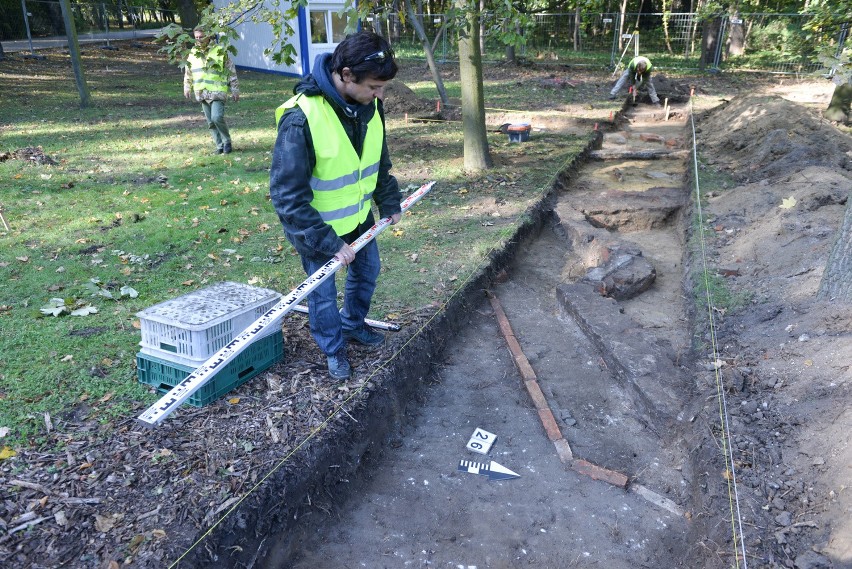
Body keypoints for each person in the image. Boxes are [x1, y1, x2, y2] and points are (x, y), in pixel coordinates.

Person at [269, 31, 403, 381]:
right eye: (374, 87)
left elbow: (378, 159)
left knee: (367, 271)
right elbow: (287, 196)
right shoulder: (301, 118)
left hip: (359, 218)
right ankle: (334, 349)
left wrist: (388, 200)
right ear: (345, 74)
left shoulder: (369, 105)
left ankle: (354, 325)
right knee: (323, 296)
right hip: (318, 232)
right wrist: (330, 244)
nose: (380, 95)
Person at [184, 26, 239, 154]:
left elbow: (231, 71)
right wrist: (187, 86)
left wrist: (235, 89)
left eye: (201, 37)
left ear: (208, 35)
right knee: (210, 122)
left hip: (217, 92)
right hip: (201, 91)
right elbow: (188, 72)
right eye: (196, 37)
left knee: (216, 117)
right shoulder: (193, 53)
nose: (199, 40)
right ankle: (219, 146)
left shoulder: (220, 50)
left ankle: (227, 142)